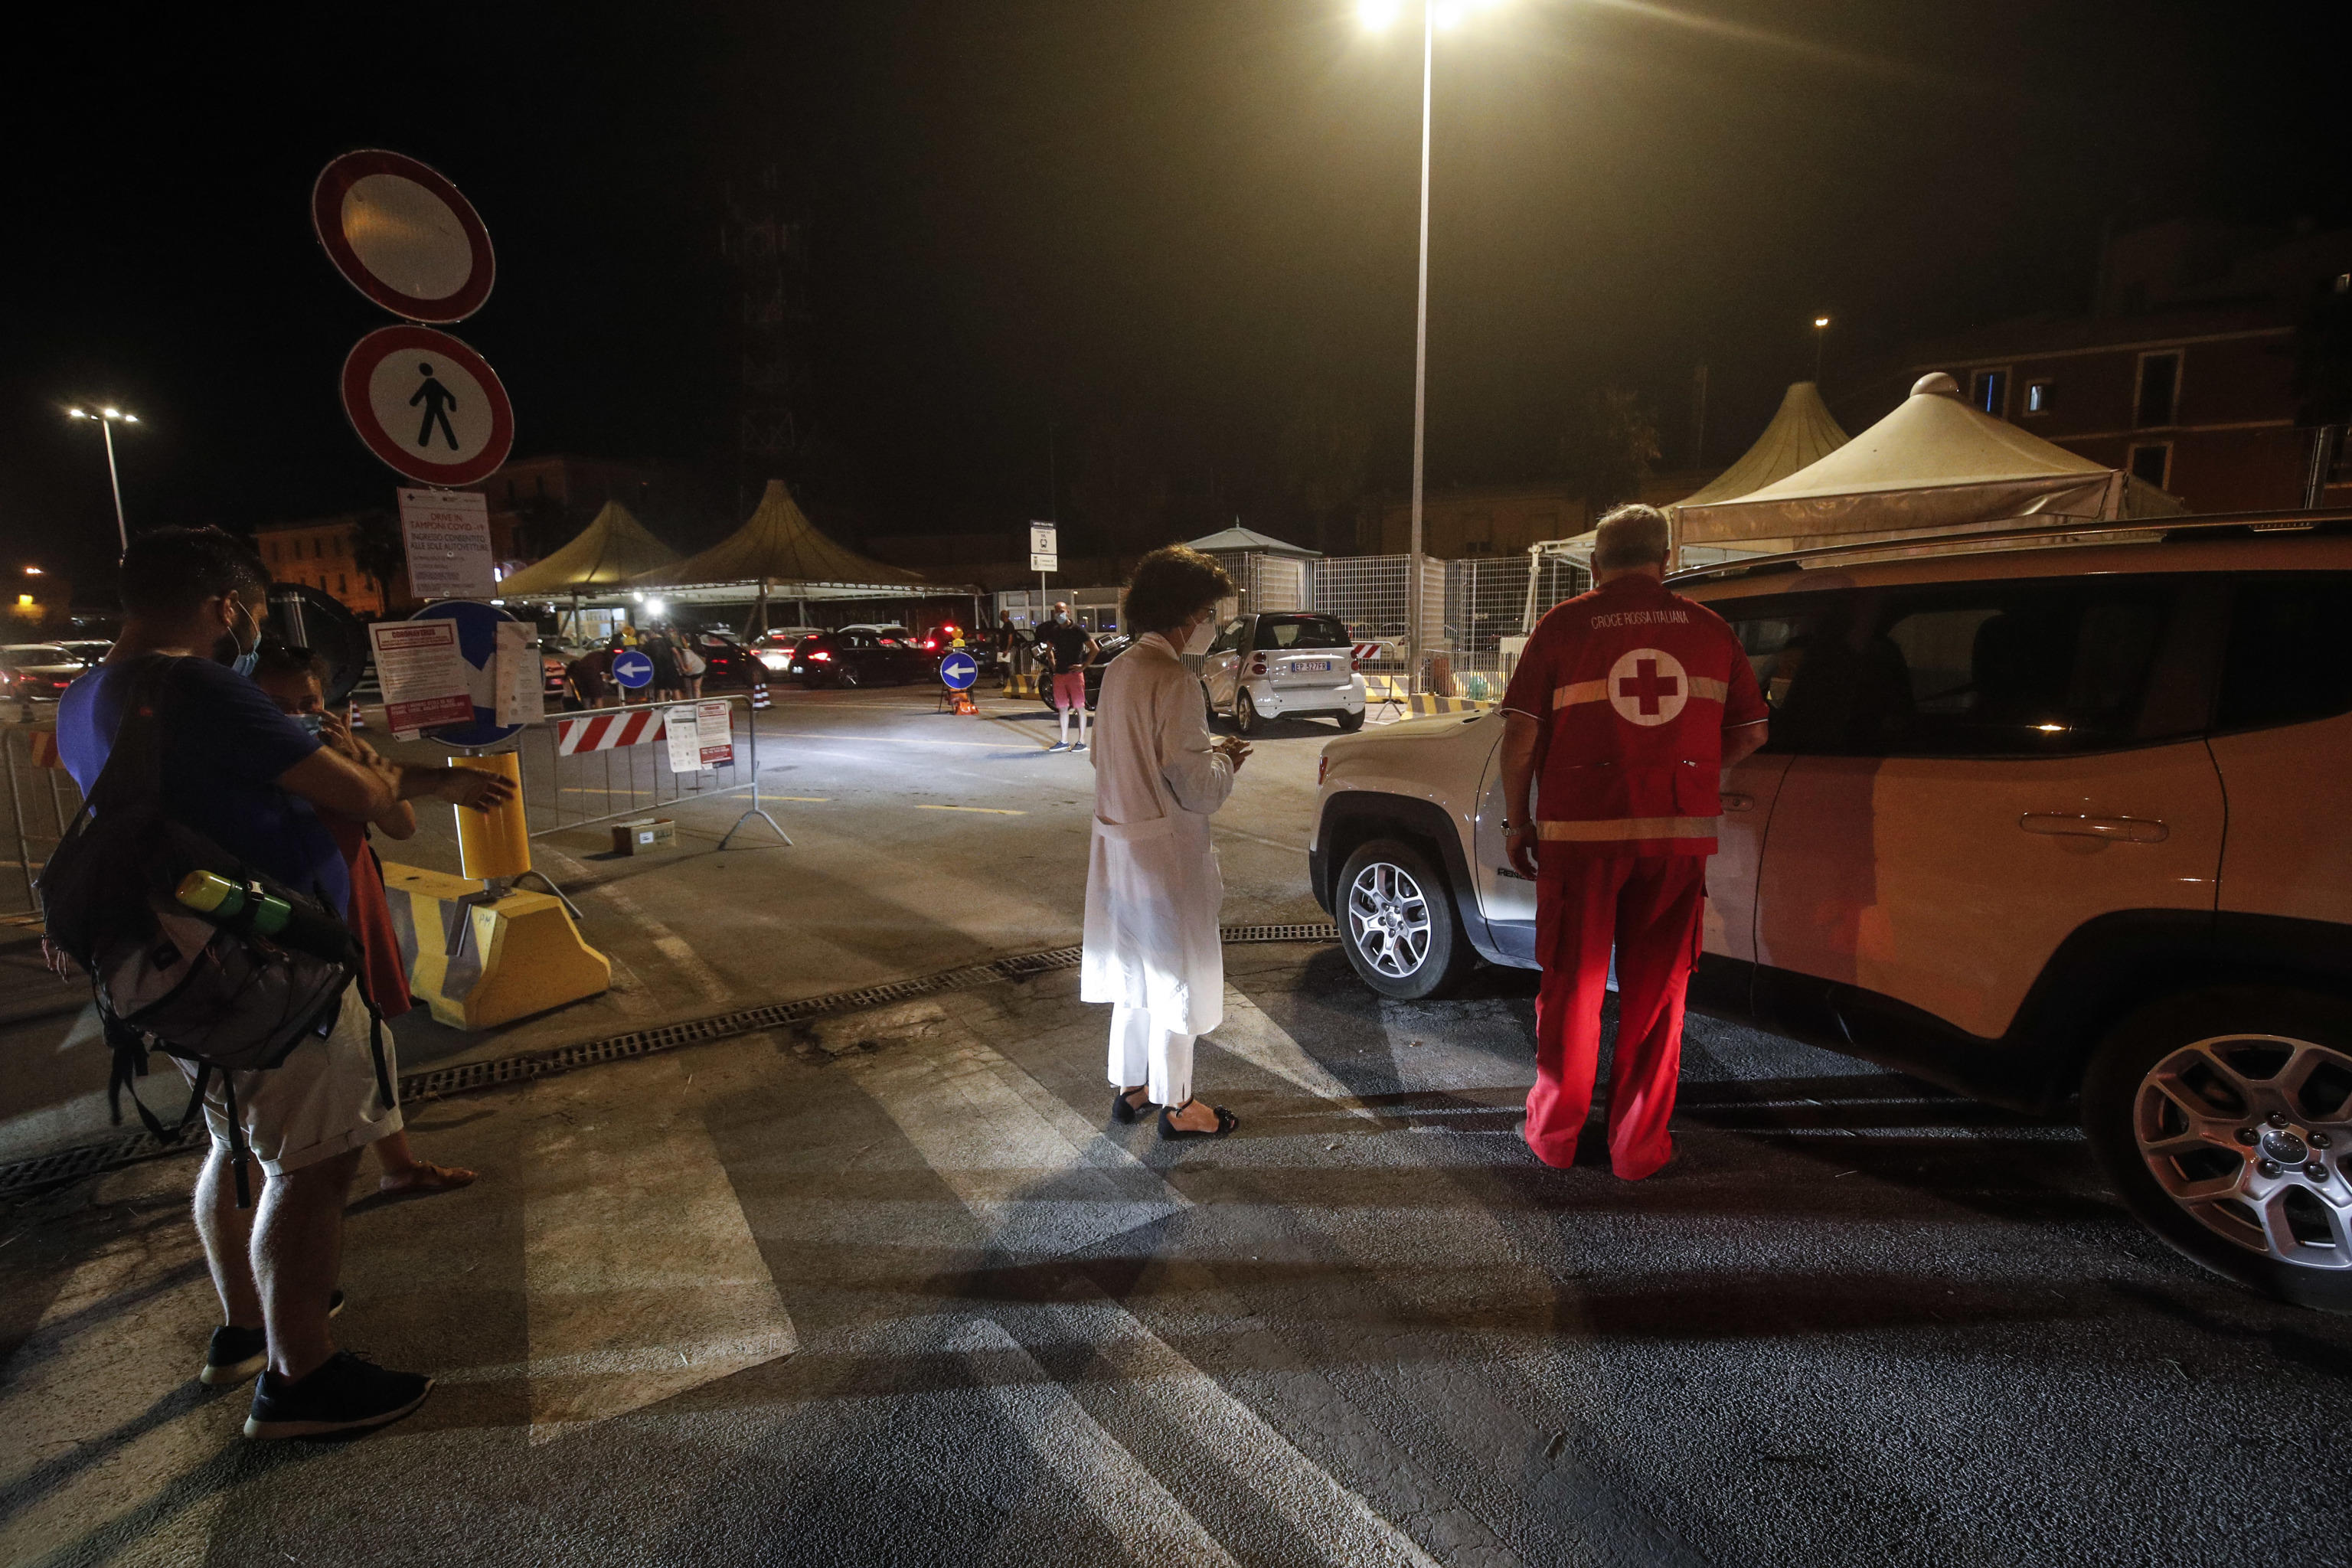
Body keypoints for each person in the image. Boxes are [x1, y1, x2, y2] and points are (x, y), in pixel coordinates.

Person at [55, 528, 515, 1439]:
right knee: (312, 1162)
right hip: (267, 963)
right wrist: (376, 778)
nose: (254, 634)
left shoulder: (84, 695)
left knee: (236, 1142)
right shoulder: (199, 684)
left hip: (180, 960)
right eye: (255, 616)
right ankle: (300, 1375)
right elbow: (364, 796)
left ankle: (245, 1327)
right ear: (225, 606)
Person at [1496, 504, 1769, 1180]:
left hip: (1580, 839)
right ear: (1666, 561)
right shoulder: (1710, 629)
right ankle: (1636, 1149)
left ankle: (1554, 1138)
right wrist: (1693, 772)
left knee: (1573, 989)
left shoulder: (1564, 625)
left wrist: (1517, 821)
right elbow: (1753, 731)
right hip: (1676, 841)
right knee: (1657, 998)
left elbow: (1521, 734)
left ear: (1595, 564)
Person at [250, 644, 476, 1197]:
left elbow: (401, 825)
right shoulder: (245, 755)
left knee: (369, 1033)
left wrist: (355, 758)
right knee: (317, 1051)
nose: (297, 716)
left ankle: (398, 1165)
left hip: (354, 900)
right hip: (292, 914)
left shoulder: (341, 752)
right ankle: (289, 1176)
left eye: (308, 702)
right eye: (277, 706)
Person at [1080, 548, 1250, 1140]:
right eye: (1206, 612)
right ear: (1184, 613)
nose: (1208, 623)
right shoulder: (1175, 680)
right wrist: (1226, 762)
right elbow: (1198, 788)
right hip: (1165, 857)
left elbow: (1103, 757)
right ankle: (1180, 1104)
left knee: (1136, 970)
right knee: (1177, 977)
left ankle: (1133, 1086)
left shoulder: (1120, 670)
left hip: (1119, 848)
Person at [1037, 602, 1097, 752]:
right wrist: (1052, 664)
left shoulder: (1078, 630)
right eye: (1057, 611)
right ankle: (1063, 741)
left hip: (1075, 674)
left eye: (1062, 611)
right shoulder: (1055, 631)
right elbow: (1048, 650)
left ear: (1068, 612)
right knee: (1062, 708)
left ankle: (1081, 742)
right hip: (1060, 675)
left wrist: (1083, 666)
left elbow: (1094, 649)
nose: (1059, 614)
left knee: (1079, 707)